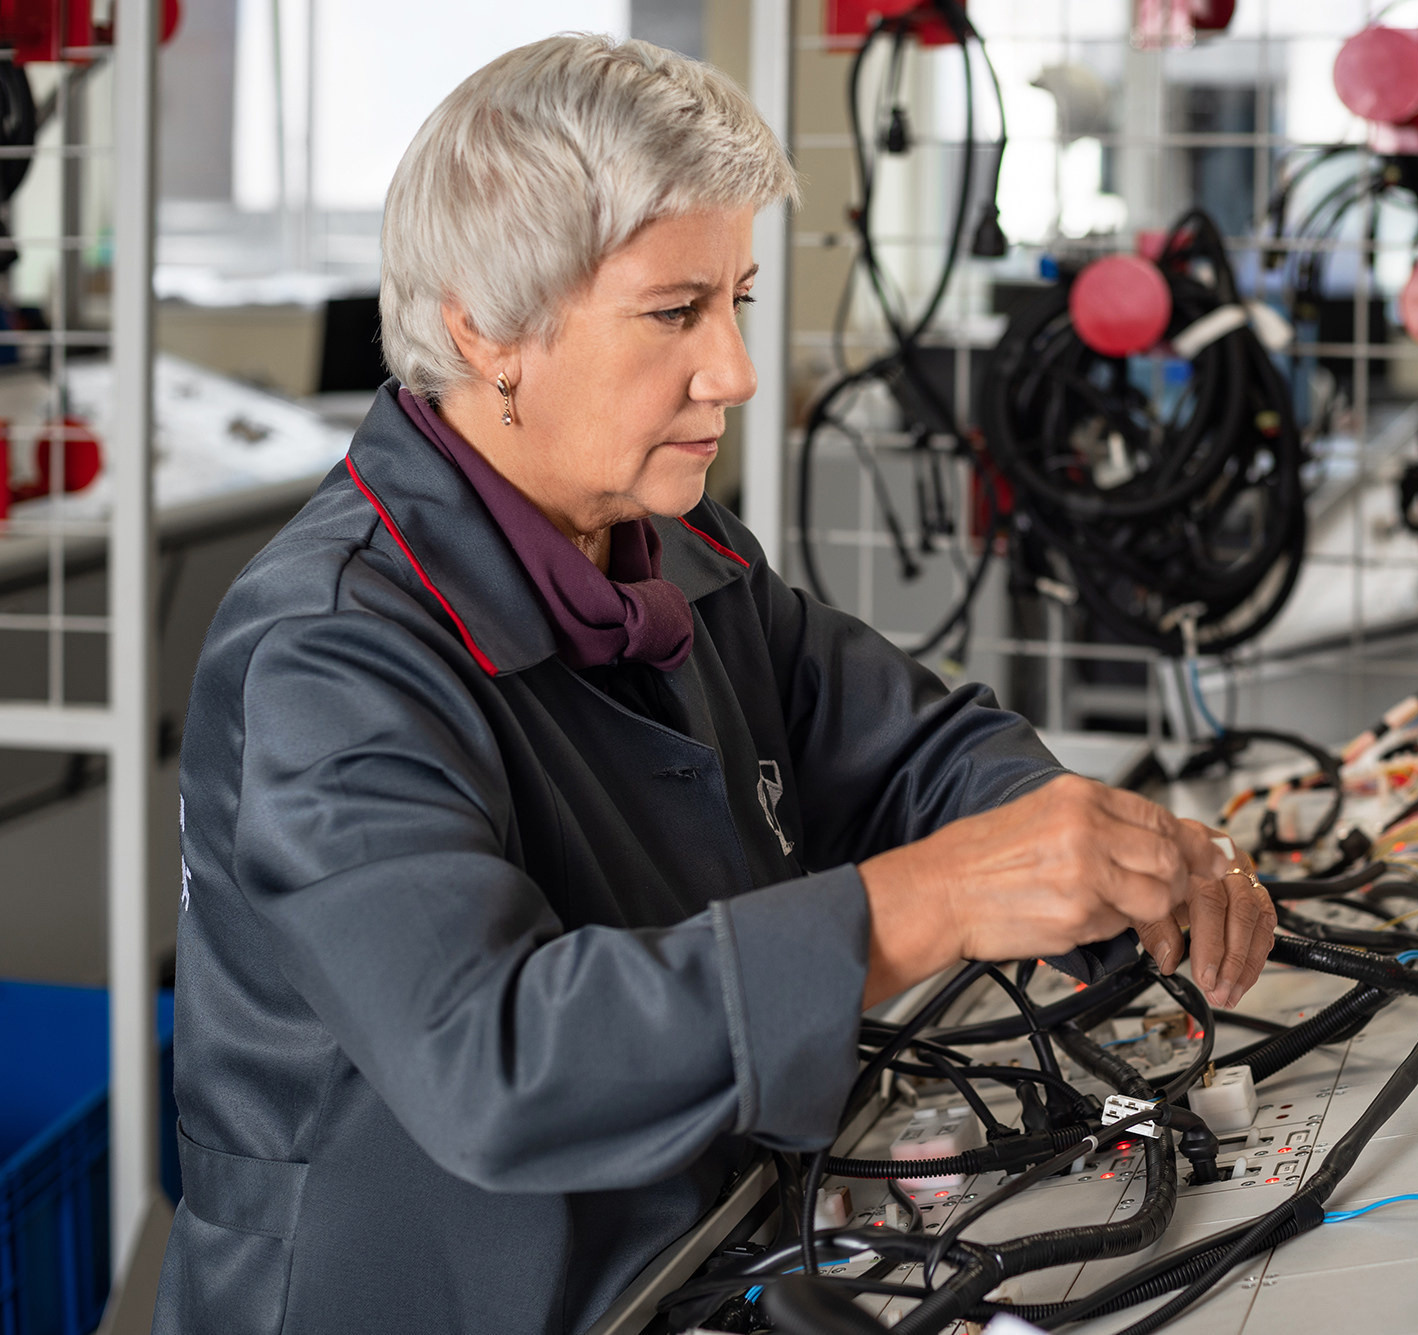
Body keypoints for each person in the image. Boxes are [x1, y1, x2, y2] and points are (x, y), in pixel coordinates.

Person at [154, 34, 1274, 1335]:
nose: (735, 371)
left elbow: (914, 754)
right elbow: (493, 1055)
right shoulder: (328, 652)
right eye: (675, 312)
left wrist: (1084, 853)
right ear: (487, 326)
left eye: (736, 299)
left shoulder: (677, 548)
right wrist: (935, 900)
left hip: (692, 1251)